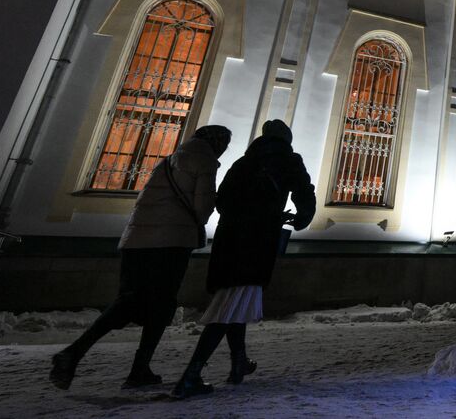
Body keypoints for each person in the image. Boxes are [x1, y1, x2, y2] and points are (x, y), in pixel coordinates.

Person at [49, 124, 231, 390]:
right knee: (161, 305)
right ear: (218, 143)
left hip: (136, 240)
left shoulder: (170, 159)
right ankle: (135, 367)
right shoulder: (205, 161)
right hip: (170, 244)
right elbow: (202, 210)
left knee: (127, 301)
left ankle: (80, 353)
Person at [172, 119, 315, 398]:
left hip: (228, 242)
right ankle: (191, 375)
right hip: (256, 244)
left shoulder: (243, 162)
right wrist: (296, 219)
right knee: (229, 307)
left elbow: (222, 201)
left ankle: (239, 362)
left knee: (236, 300)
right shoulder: (288, 160)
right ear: (286, 140)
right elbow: (304, 193)